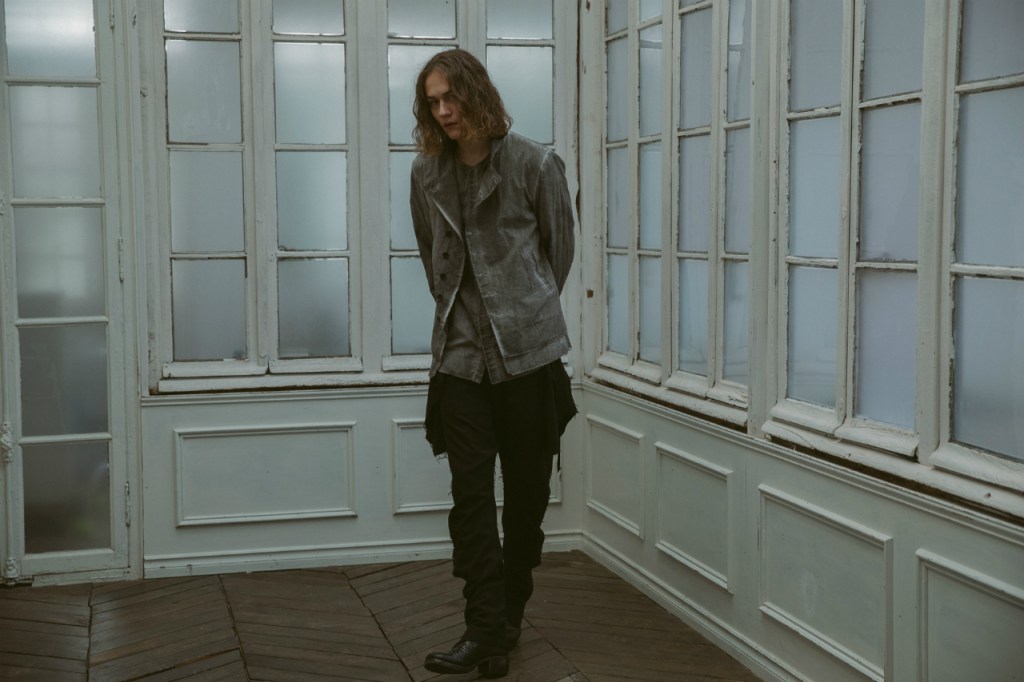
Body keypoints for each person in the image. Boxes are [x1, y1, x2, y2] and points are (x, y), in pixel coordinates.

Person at [409, 49, 577, 678]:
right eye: (432, 101)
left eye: (450, 97)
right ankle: (483, 628)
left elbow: (558, 256)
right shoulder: (425, 174)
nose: (443, 111)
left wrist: (519, 312)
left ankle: (508, 616)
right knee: (471, 497)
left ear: (477, 93)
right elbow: (433, 259)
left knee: (527, 497)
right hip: (459, 361)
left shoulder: (536, 163)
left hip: (528, 356)